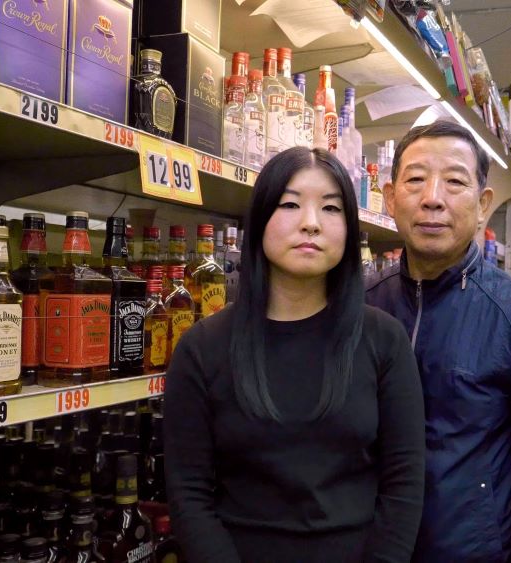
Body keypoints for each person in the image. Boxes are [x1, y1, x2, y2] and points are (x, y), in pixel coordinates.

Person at [164, 146, 426, 563]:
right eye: (289, 204)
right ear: (260, 220)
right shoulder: (202, 348)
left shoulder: (383, 341)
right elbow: (188, 493)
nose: (311, 223)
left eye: (331, 208)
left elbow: (404, 484)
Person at [366, 120, 511, 562]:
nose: (433, 198)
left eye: (455, 181)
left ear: (483, 205)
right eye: (416, 180)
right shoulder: (361, 307)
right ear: (390, 197)